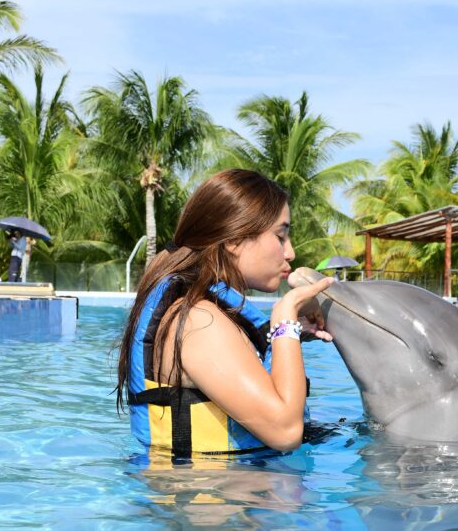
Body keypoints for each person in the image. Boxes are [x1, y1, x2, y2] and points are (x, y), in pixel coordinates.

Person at [116, 169, 334, 459]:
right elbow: (286, 432)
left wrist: (287, 335)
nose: (290, 252)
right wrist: (285, 319)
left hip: (227, 494)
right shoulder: (199, 322)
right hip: (214, 499)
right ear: (233, 241)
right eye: (280, 236)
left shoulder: (202, 313)